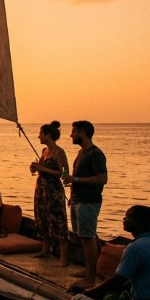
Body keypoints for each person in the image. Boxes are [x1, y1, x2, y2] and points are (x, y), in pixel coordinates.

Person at [62, 120, 107, 288]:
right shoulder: (81, 153)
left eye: (73, 132)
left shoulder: (95, 154)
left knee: (88, 237)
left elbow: (102, 179)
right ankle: (89, 269)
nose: (71, 135)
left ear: (82, 133)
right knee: (83, 235)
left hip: (89, 201)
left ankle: (91, 278)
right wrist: (72, 194)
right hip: (77, 199)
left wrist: (76, 179)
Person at [30, 121, 70, 267]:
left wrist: (43, 169)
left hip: (53, 191)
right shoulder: (44, 151)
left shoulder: (59, 152)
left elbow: (64, 172)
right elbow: (41, 168)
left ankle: (63, 257)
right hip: (41, 190)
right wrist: (35, 169)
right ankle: (45, 249)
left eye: (40, 134)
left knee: (58, 221)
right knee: (43, 219)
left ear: (47, 135)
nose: (38, 136)